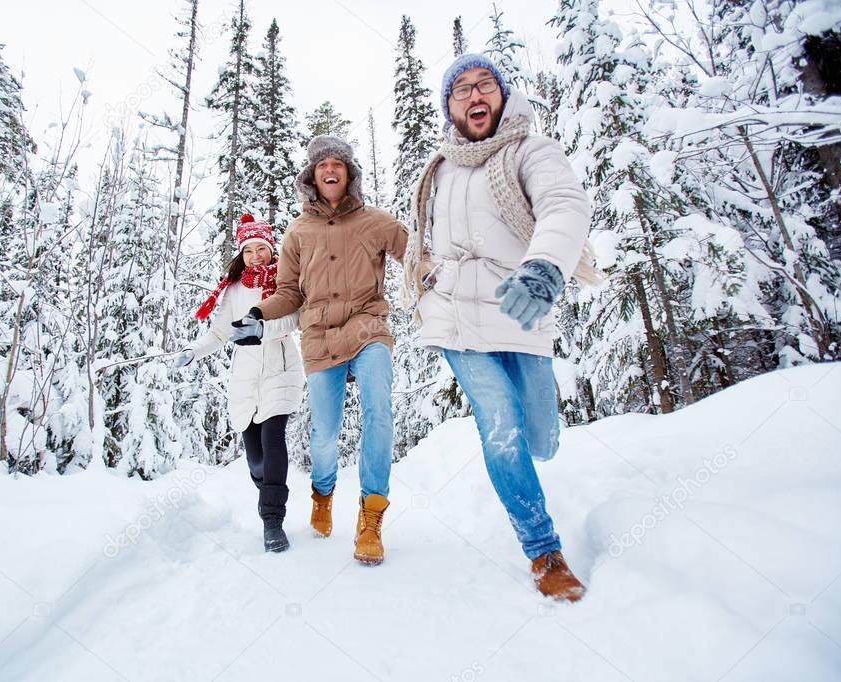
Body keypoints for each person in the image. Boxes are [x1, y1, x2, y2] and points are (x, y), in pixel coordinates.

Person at [402, 54, 601, 601]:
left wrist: (543, 267)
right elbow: (425, 236)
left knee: (541, 437)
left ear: (502, 96)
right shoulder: (438, 169)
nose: (473, 95)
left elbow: (563, 205)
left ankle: (538, 456)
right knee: (501, 424)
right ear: (449, 106)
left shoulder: (530, 151)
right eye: (461, 89)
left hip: (519, 310)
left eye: (483, 84)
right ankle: (544, 552)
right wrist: (428, 273)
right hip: (455, 321)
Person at [230, 135, 424, 566]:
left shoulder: (375, 222)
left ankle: (371, 517)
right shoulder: (299, 232)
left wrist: (437, 276)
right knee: (325, 434)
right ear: (312, 177)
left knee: (379, 411)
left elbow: (416, 256)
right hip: (318, 338)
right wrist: (259, 313)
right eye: (322, 166)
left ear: (349, 173)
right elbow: (288, 293)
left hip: (368, 327)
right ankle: (323, 493)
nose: (331, 170)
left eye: (338, 163)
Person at [176, 214, 304, 553]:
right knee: (256, 458)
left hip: (281, 371)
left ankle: (272, 521)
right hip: (246, 380)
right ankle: (265, 488)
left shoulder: (284, 281)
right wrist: (194, 350)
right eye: (249, 250)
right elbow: (220, 332)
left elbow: (292, 319)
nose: (256, 256)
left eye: (262, 248)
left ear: (271, 249)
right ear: (241, 254)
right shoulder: (233, 290)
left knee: (273, 437)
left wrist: (262, 330)